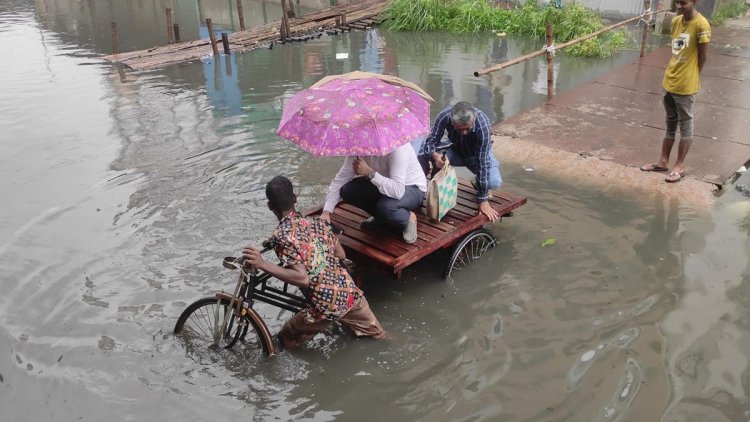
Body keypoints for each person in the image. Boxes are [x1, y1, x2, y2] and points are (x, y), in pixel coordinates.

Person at [242, 176, 386, 349]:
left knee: (285, 339)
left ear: (270, 206)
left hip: (325, 306)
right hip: (349, 293)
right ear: (295, 198)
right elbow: (340, 254)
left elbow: (302, 279)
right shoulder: (317, 222)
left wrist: (262, 264)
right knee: (379, 336)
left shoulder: (282, 236)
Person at [640, 0, 710, 183]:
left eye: (684, 3)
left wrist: (693, 76)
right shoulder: (676, 21)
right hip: (669, 81)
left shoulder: (702, 25)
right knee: (670, 121)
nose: (679, 6)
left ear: (694, 2)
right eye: (677, 2)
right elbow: (676, 51)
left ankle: (679, 166)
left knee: (685, 123)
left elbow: (703, 57)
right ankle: (663, 162)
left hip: (686, 85)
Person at [320, 143, 427, 244]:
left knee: (386, 208)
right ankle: (380, 216)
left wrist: (370, 173)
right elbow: (341, 179)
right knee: (347, 190)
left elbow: (398, 191)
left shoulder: (398, 149)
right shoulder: (358, 147)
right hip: (384, 185)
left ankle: (408, 218)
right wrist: (326, 212)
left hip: (412, 188)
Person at [419, 101, 502, 221]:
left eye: (467, 129)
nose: (463, 133)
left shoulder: (482, 123)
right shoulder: (444, 116)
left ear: (473, 121)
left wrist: (483, 200)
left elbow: (482, 161)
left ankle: (478, 183)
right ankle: (435, 195)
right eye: (459, 129)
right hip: (455, 150)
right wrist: (435, 156)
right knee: (430, 157)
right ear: (452, 122)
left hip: (475, 155)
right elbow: (430, 142)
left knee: (494, 182)